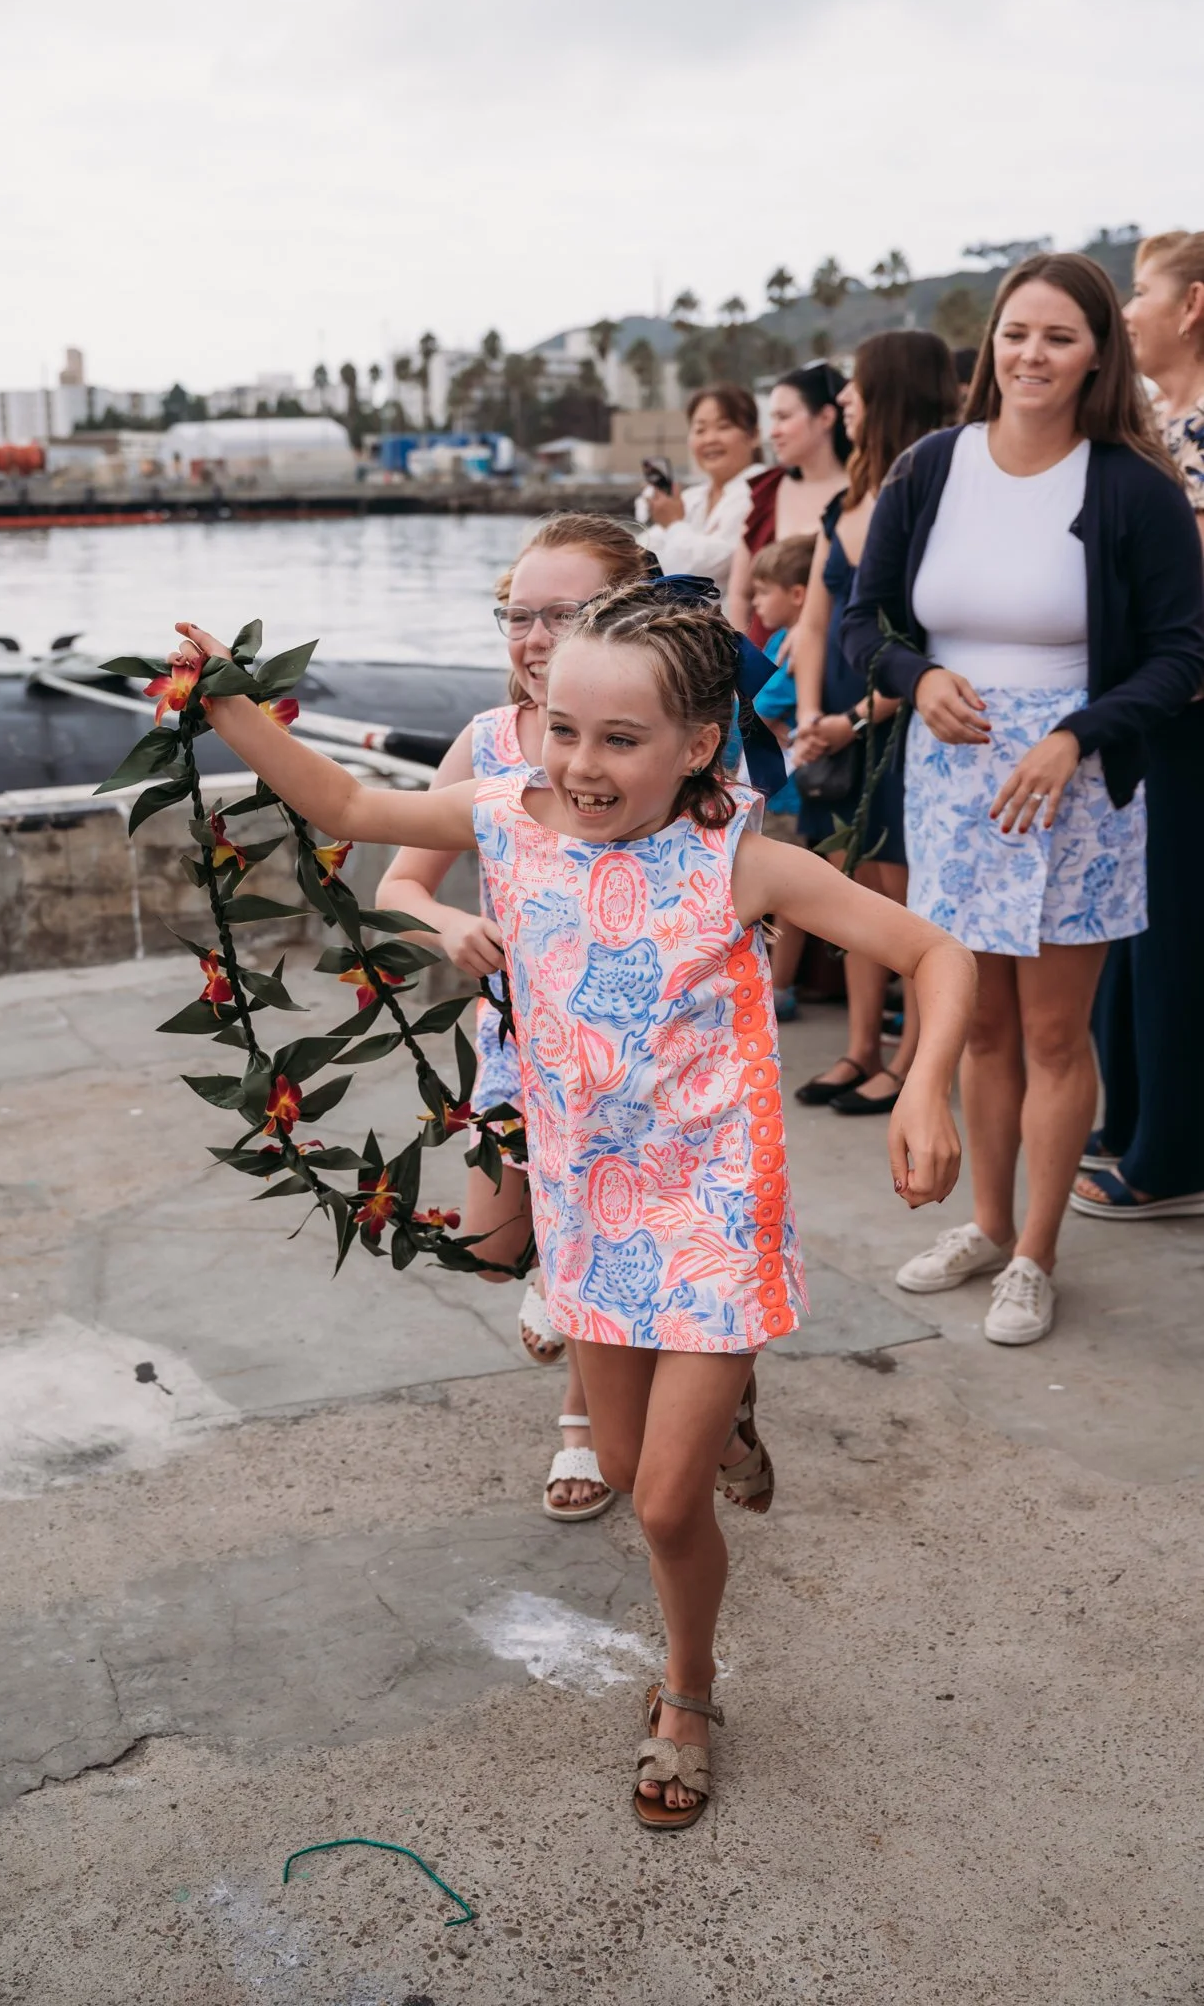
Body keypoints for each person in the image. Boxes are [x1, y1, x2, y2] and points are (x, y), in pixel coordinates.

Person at [167, 586, 975, 1827]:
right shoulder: (508, 818)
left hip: (711, 1206)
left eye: (619, 739)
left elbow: (939, 953)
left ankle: (688, 1691)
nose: (580, 766)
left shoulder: (741, 861)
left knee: (658, 1501)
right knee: (652, 1459)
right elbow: (341, 805)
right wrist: (228, 701)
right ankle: (726, 1419)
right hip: (590, 1207)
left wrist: (928, 1090)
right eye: (561, 729)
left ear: (698, 744)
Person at [842, 251, 1204, 1345]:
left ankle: (1037, 1257)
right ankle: (988, 1228)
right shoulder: (929, 468)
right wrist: (918, 678)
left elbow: (1181, 656)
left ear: (1099, 354)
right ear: (990, 344)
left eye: (1059, 336)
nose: (1030, 354)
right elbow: (866, 625)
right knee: (975, 1023)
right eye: (1015, 333)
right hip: (952, 785)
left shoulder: (1133, 486)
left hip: (1077, 788)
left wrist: (1074, 736)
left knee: (1053, 1033)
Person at [376, 511, 644, 1522]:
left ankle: (583, 1421)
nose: (533, 639)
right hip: (520, 1043)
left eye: (561, 616)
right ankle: (562, 1277)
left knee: (593, 1240)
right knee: (491, 1254)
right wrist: (449, 925)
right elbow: (399, 881)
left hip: (637, 1055)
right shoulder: (486, 743)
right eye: (517, 615)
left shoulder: (662, 740)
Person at [790, 331, 959, 1115]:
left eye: (855, 385)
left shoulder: (935, 490)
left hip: (901, 723)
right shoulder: (844, 501)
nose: (844, 399)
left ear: (888, 391)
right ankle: (860, 1047)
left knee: (909, 900)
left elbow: (924, 642)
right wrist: (810, 715)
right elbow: (817, 625)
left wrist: (853, 720)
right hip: (835, 724)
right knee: (847, 885)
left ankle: (912, 1057)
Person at [1074, 229, 1204, 1219]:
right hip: (1142, 709)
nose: (1127, 313)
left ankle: (1173, 1156)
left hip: (1188, 714)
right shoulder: (1162, 421)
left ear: (1193, 306)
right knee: (1131, 923)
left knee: (1173, 932)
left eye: (1143, 293)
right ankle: (1130, 1118)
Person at [723, 363, 849, 641]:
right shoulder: (768, 491)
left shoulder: (862, 494)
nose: (773, 432)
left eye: (783, 417)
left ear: (826, 416)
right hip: (762, 670)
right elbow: (740, 594)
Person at [745, 533, 816, 1020]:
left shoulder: (793, 645)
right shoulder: (777, 640)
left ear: (797, 595)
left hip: (787, 794)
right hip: (772, 786)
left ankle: (781, 985)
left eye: (763, 590)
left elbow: (763, 708)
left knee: (787, 895)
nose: (754, 601)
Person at [637, 384, 764, 593]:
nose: (710, 439)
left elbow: (708, 569)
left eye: (723, 426)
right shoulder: (692, 497)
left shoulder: (760, 491)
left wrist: (674, 524)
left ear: (754, 435)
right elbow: (645, 552)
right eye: (700, 430)